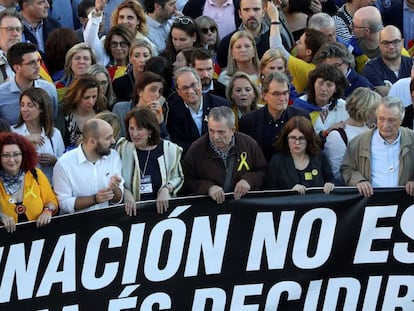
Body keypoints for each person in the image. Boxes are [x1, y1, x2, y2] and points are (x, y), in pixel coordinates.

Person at [183, 106, 266, 203]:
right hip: (211, 208)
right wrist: (208, 188)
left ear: (233, 130)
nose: (215, 137)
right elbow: (186, 183)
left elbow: (263, 172)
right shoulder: (196, 150)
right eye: (211, 131)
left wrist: (249, 180)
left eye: (221, 132)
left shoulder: (249, 144)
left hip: (244, 204)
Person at [341, 96, 414, 197]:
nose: (385, 125)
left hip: (405, 204)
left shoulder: (412, 139)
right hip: (372, 203)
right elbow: (347, 168)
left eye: (391, 120)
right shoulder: (358, 142)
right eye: (381, 119)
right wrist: (358, 181)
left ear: (401, 120)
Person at [116, 107, 183, 214]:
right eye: (131, 128)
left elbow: (178, 177)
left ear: (150, 130)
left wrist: (167, 188)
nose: (135, 134)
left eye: (139, 129)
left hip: (162, 212)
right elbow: (115, 176)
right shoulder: (122, 147)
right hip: (131, 213)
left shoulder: (169, 149)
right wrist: (125, 191)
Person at [53, 118, 124, 214]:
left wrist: (115, 189)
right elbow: (64, 204)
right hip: (77, 224)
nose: (113, 141)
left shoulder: (114, 157)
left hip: (106, 223)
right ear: (92, 142)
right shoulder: (64, 164)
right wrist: (94, 199)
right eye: (108, 138)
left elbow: (118, 200)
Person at [239, 72, 309, 162]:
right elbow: (244, 156)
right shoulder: (249, 121)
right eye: (276, 94)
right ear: (264, 95)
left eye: (285, 93)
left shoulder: (302, 117)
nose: (282, 98)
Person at [0, 132, 58, 233]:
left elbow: (51, 200)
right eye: (6, 155)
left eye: (16, 154)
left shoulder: (36, 174)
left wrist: (47, 210)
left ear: (24, 155)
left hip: (39, 240)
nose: (12, 160)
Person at [267, 1, 329, 93]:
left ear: (308, 52)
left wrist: (274, 18)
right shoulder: (316, 64)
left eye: (300, 43)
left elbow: (276, 47)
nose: (296, 42)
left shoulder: (306, 68)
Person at [324, 87, 380, 184]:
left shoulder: (374, 131)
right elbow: (336, 172)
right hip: (351, 191)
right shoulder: (338, 135)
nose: (378, 113)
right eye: (375, 109)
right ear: (365, 109)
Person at [266, 116, 335, 194]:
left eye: (301, 138)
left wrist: (330, 184)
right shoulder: (277, 160)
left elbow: (330, 178)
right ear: (286, 138)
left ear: (309, 138)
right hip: (288, 205)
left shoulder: (320, 156)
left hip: (318, 204)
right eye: (293, 138)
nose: (297, 143)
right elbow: (270, 192)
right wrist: (290, 191)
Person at [166, 66, 229, 151]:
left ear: (200, 83)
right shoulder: (172, 111)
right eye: (185, 88)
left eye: (193, 85)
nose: (191, 91)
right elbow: (178, 144)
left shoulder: (220, 104)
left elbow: (227, 137)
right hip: (189, 159)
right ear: (178, 91)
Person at [217, 0, 294, 69]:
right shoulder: (227, 43)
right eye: (246, 10)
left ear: (263, 12)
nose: (252, 14)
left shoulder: (279, 40)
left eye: (256, 9)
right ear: (240, 13)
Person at [12, 88, 64, 183]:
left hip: (49, 187)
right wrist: (23, 141)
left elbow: (64, 162)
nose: (24, 109)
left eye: (30, 105)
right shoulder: (13, 132)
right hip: (23, 187)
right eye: (22, 105)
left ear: (41, 109)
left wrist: (55, 161)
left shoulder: (55, 133)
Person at [0, 42, 57, 126]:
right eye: (31, 63)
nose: (38, 66)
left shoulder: (49, 89)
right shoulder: (1, 94)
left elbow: (53, 120)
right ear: (17, 68)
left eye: (38, 61)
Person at [293, 64, 349, 136]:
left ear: (336, 88)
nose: (323, 89)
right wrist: (326, 132)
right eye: (320, 83)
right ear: (313, 84)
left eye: (329, 85)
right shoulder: (300, 106)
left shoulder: (344, 107)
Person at [56, 73, 106, 151]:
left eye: (94, 96)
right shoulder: (63, 114)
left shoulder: (101, 112)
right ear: (75, 95)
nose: (91, 102)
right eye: (86, 97)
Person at [112, 71, 168, 138]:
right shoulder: (121, 109)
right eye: (153, 90)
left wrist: (160, 122)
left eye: (160, 91)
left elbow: (166, 144)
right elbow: (116, 138)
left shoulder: (158, 113)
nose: (157, 94)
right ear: (140, 91)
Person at [362, 25, 412, 96]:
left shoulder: (412, 65)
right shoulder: (370, 70)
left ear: (402, 43)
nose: (391, 47)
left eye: (395, 41)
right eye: (386, 43)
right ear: (379, 44)